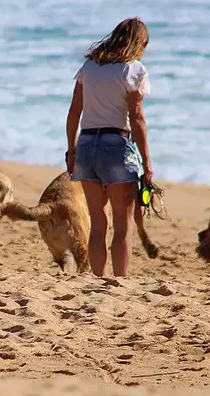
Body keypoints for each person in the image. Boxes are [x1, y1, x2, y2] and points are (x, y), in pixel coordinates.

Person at [65, 17, 154, 277]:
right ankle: (120, 282)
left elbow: (74, 113)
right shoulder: (133, 70)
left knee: (98, 223)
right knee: (122, 226)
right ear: (139, 43)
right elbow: (136, 118)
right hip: (116, 146)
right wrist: (147, 162)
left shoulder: (89, 67)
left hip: (87, 145)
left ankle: (97, 279)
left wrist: (71, 152)